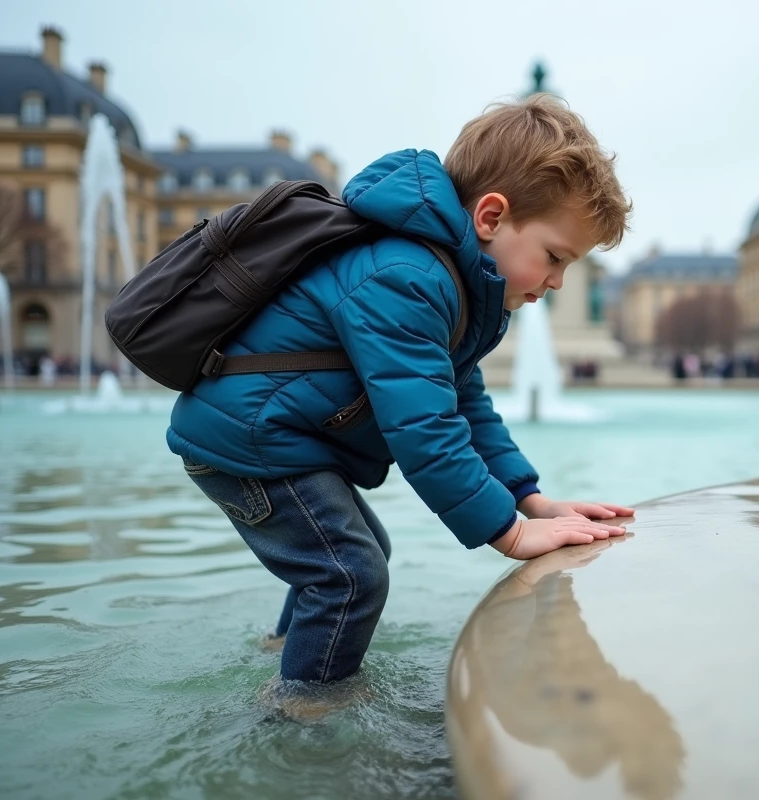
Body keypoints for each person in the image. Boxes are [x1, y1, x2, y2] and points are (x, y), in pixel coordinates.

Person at [166, 95, 634, 697]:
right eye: (554, 257)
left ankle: (285, 651)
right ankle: (302, 712)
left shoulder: (454, 283)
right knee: (351, 576)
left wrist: (531, 499)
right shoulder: (406, 277)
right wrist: (508, 532)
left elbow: (466, 405)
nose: (558, 281)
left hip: (275, 435)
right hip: (249, 439)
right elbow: (424, 429)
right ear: (490, 218)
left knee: (354, 558)